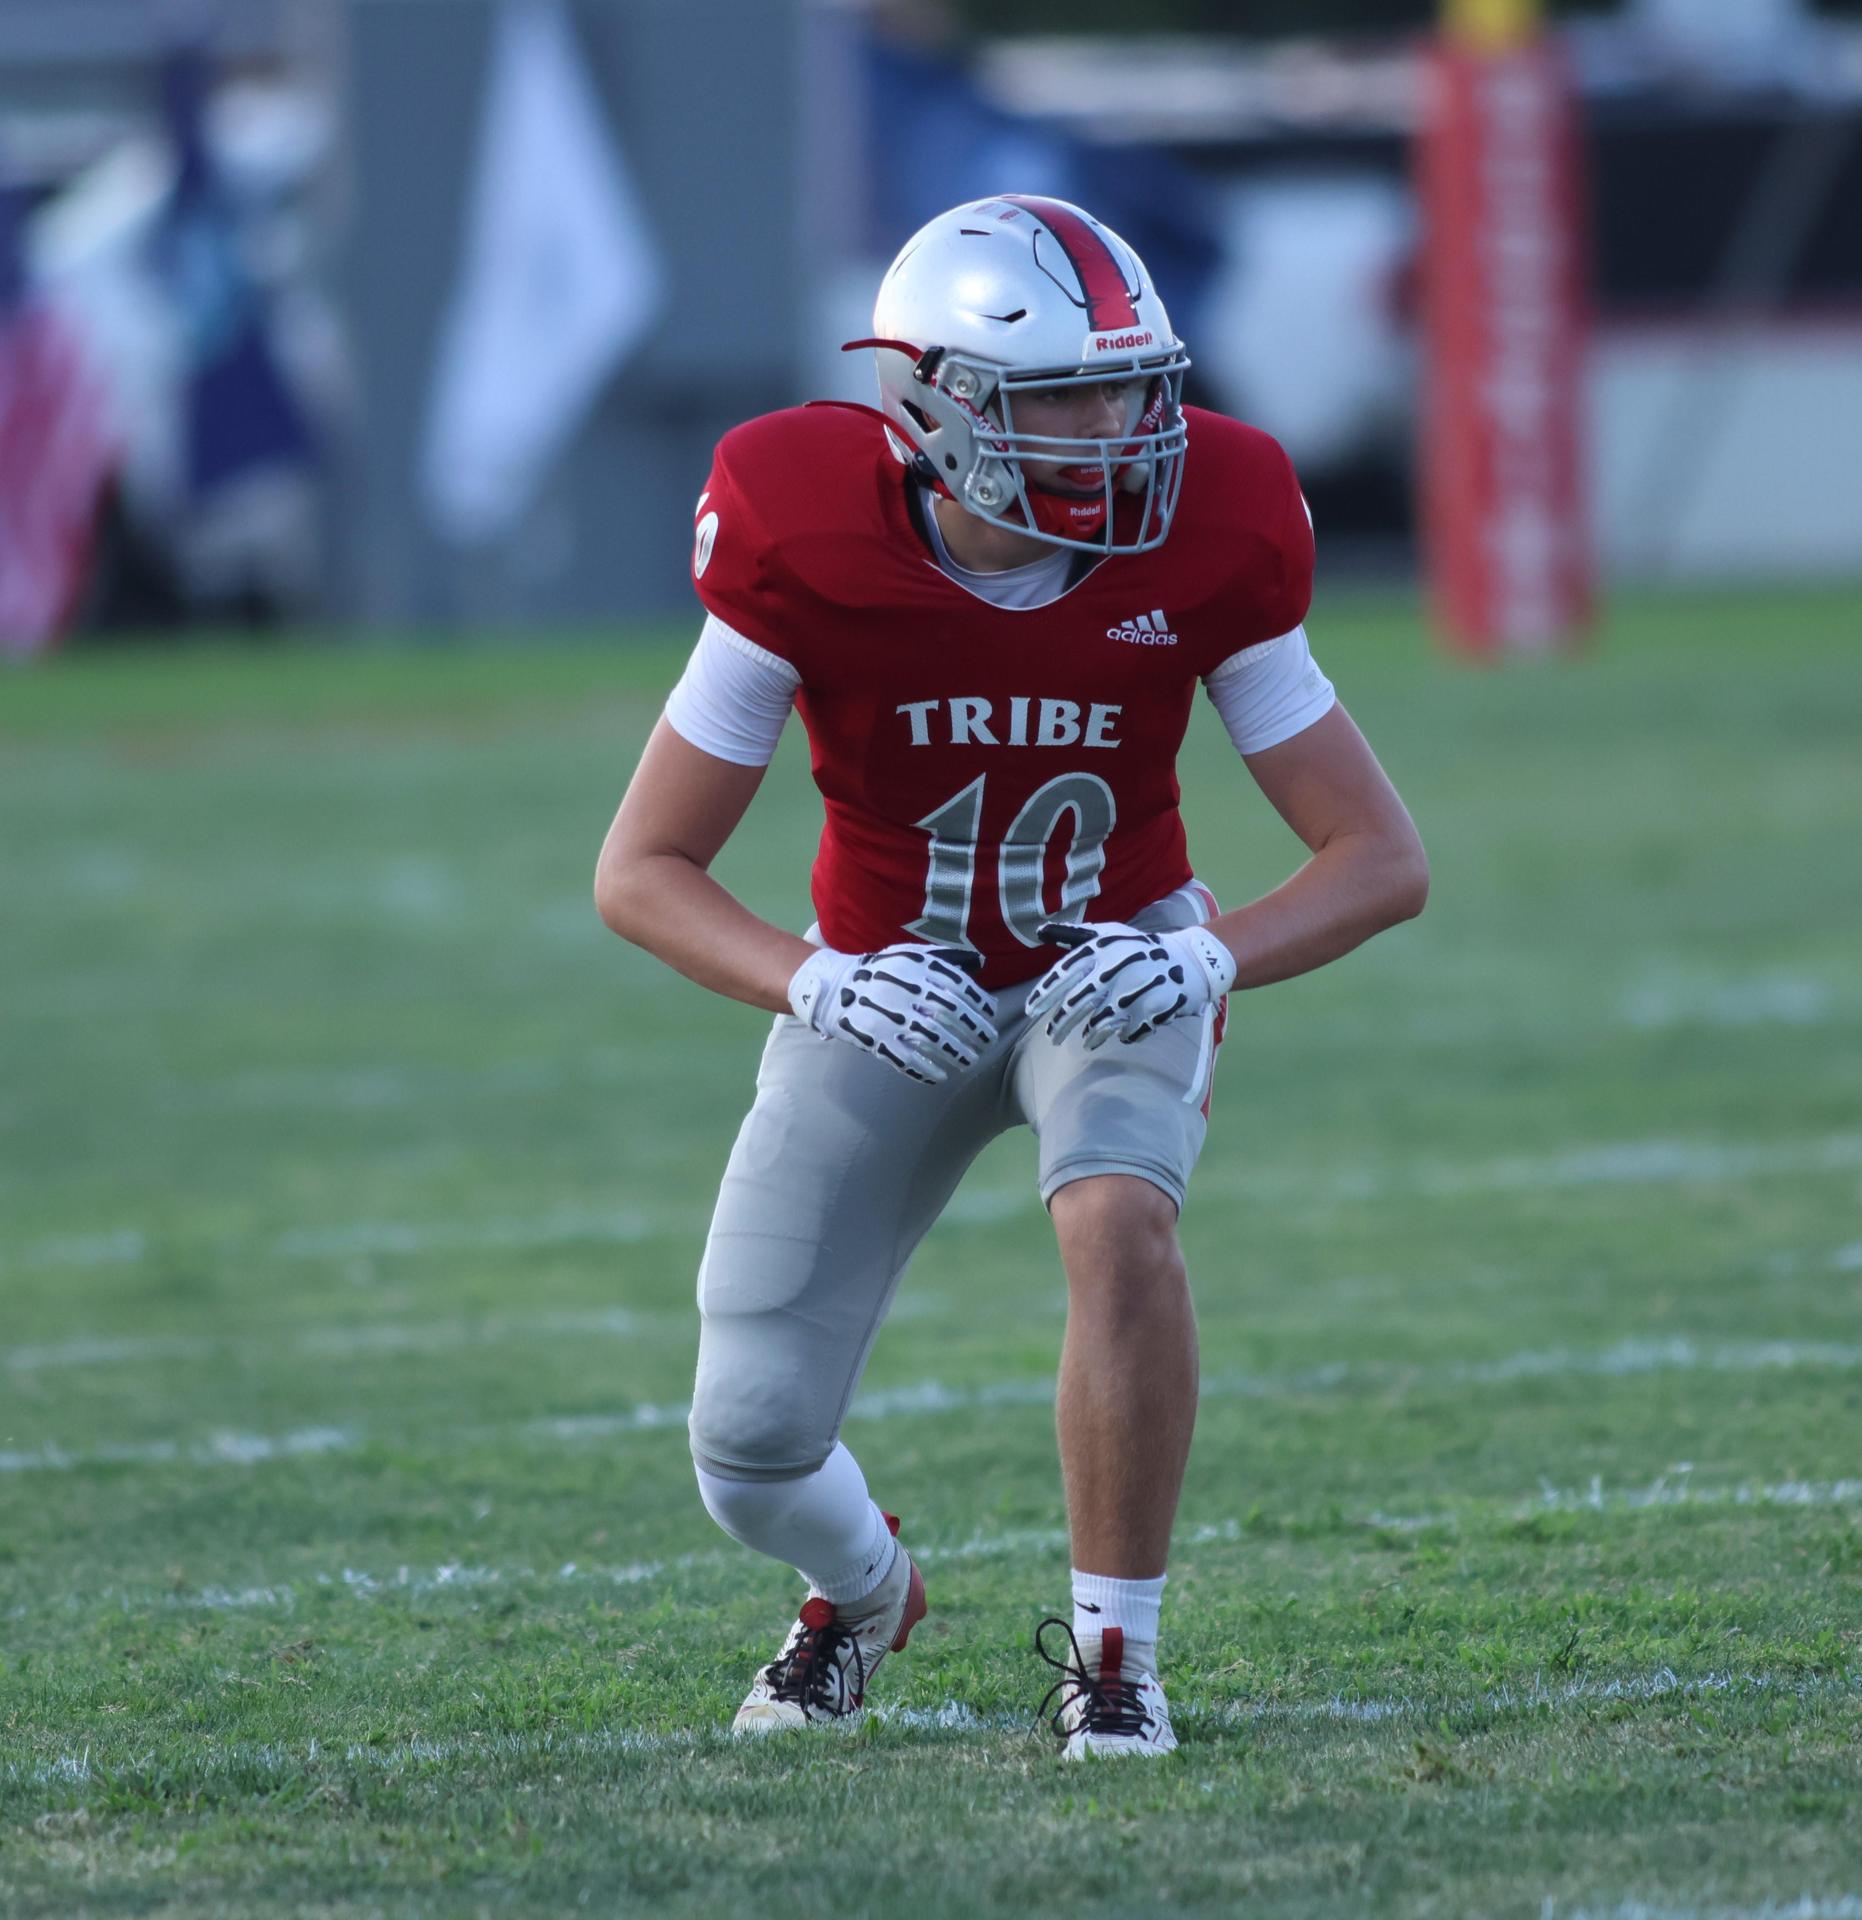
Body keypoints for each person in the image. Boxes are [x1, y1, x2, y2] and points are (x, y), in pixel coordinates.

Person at [594, 194, 1427, 1758]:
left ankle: (1116, 1655)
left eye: (1134, 387)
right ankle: (857, 1593)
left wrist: (1200, 953)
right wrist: (813, 983)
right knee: (750, 1444)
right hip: (887, 992)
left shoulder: (1212, 525)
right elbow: (641, 870)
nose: (1122, 430)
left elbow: (1380, 857)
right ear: (930, 401)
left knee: (1118, 1221)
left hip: (1110, 971)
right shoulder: (803, 527)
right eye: (1066, 397)